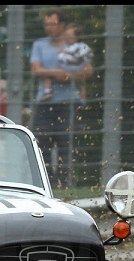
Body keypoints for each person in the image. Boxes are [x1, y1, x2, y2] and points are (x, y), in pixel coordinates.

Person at [30, 9, 94, 188]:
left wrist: (68, 76)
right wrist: (56, 73)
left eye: (53, 24)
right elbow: (36, 70)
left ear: (62, 25)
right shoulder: (39, 45)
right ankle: (47, 183)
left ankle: (65, 183)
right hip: (44, 102)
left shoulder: (74, 45)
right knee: (41, 142)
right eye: (46, 24)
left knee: (66, 143)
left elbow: (88, 71)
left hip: (68, 102)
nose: (49, 28)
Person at [41, 23, 92, 106]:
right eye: (66, 35)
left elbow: (87, 65)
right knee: (50, 74)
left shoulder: (79, 47)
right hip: (65, 71)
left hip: (73, 72)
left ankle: (82, 101)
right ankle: (47, 92)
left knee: (81, 85)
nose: (67, 38)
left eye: (69, 36)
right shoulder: (67, 47)